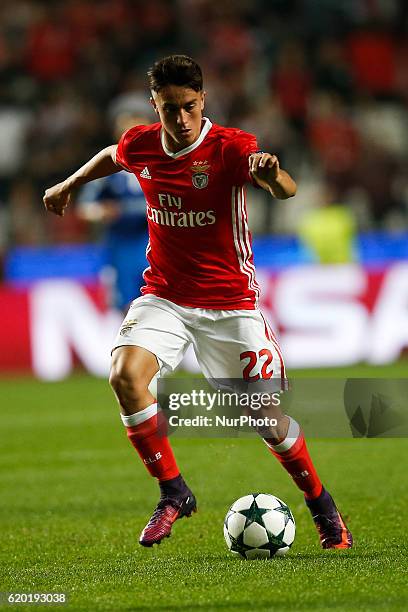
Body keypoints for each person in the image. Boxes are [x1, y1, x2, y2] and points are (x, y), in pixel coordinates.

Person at [43, 55, 352, 550]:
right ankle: (173, 493)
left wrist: (271, 175)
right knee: (125, 375)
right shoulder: (142, 143)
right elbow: (111, 153)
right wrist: (69, 184)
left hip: (230, 303)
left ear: (202, 100)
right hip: (164, 295)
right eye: (169, 109)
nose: (181, 119)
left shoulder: (231, 148)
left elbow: (286, 189)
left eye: (189, 106)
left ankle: (321, 503)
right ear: (155, 106)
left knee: (267, 421)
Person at [76, 104, 153, 311]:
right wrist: (102, 211)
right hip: (121, 244)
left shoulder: (164, 164)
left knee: (161, 303)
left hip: (157, 242)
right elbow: (84, 207)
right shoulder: (107, 167)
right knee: (126, 305)